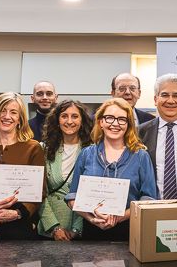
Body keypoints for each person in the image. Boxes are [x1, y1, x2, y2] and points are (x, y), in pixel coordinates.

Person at [66, 99, 159, 241]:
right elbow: (72, 197)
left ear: (128, 125)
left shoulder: (141, 156)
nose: (115, 124)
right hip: (91, 232)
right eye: (109, 118)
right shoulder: (86, 154)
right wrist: (91, 218)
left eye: (122, 119)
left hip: (128, 232)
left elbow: (148, 199)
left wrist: (119, 217)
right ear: (101, 122)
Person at [0, 92, 46, 240]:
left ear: (20, 119)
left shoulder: (33, 148)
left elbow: (40, 191)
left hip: (21, 225)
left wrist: (18, 213)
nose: (7, 116)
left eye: (13, 112)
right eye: (3, 111)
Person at [38, 100, 92, 241]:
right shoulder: (43, 149)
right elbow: (39, 193)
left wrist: (76, 228)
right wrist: (54, 227)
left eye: (75, 116)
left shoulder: (92, 150)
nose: (69, 121)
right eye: (64, 116)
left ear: (82, 121)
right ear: (57, 120)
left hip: (84, 227)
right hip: (50, 228)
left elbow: (90, 194)